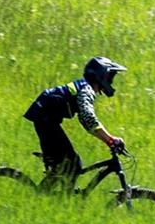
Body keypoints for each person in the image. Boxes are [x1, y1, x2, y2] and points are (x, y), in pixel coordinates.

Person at [24, 57, 126, 191]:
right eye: (110, 76)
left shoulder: (84, 87)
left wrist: (108, 139)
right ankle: (44, 198)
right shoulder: (86, 90)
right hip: (44, 118)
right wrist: (110, 139)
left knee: (71, 165)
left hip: (45, 118)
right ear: (100, 75)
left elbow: (86, 122)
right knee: (72, 164)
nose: (110, 81)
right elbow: (88, 118)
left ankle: (60, 198)